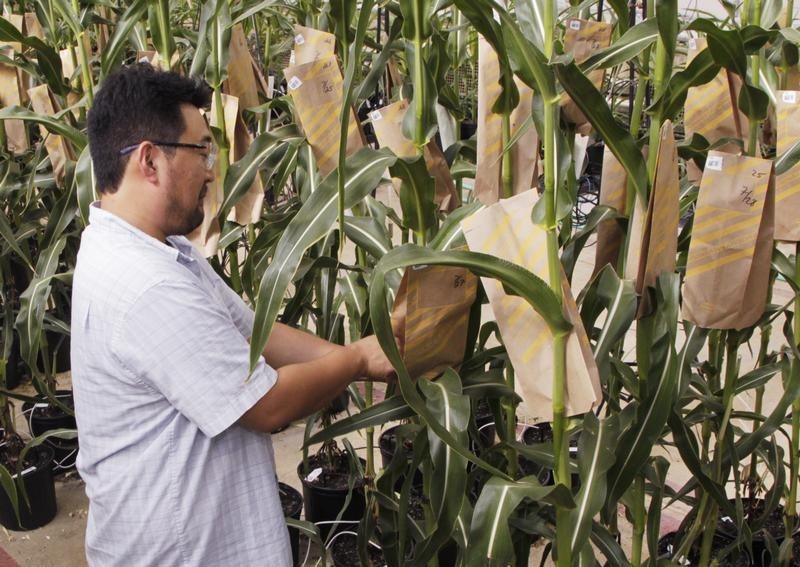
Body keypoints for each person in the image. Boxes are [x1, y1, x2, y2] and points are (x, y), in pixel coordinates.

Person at [71, 63, 395, 566]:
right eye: (201, 150)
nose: (211, 168)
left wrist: (378, 358)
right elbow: (265, 407)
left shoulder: (161, 250)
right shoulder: (143, 284)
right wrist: (354, 360)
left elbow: (255, 334)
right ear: (150, 161)